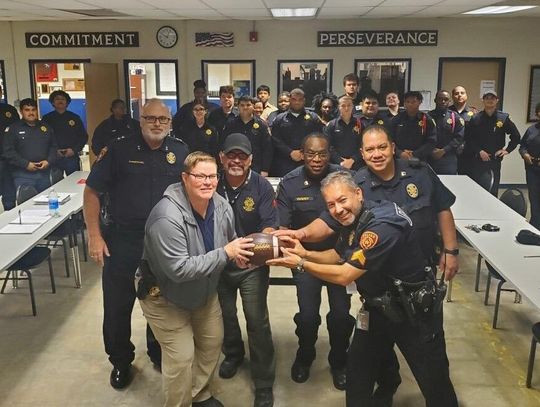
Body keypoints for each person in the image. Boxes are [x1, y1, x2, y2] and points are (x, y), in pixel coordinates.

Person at [276, 125, 459, 404]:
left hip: (412, 307)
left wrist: (300, 262)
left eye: (381, 147)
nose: (338, 209)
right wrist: (303, 245)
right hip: (376, 302)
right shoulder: (354, 216)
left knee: (434, 380)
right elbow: (337, 253)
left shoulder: (383, 221)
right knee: (360, 376)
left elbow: (344, 273)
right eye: (332, 204)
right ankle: (387, 386)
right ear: (362, 154)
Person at [83, 99, 189, 390]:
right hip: (123, 240)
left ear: (170, 123)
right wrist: (94, 235)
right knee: (118, 305)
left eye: (162, 120)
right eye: (150, 118)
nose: (157, 124)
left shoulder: (180, 151)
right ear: (140, 120)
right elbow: (92, 192)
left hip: (166, 242)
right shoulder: (118, 149)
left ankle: (157, 352)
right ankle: (120, 361)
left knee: (161, 300)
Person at [137, 151, 254, 407]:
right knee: (181, 357)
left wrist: (236, 256)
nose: (207, 182)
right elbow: (179, 270)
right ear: (185, 178)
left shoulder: (221, 206)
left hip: (203, 292)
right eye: (200, 176)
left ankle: (199, 394)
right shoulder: (166, 217)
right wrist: (226, 253)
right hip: (164, 296)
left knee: (212, 343)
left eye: (212, 176)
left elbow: (230, 239)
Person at [276, 134, 354, 390]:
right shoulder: (290, 182)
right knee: (308, 316)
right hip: (304, 259)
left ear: (330, 152)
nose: (317, 159)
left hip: (339, 258)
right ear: (302, 153)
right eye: (311, 153)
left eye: (322, 153)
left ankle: (339, 359)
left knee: (341, 315)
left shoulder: (343, 178)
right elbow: (283, 225)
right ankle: (305, 353)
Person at [216, 134, 277, 407]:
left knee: (256, 320)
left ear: (251, 159)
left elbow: (269, 228)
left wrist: (250, 252)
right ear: (222, 157)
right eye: (231, 155)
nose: (236, 160)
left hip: (251, 264)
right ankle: (233, 354)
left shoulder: (262, 186)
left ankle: (263, 382)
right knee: (224, 315)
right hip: (218, 262)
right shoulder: (211, 183)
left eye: (242, 156)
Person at [466, 91, 521, 195]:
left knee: (493, 189)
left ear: (497, 100)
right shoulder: (475, 118)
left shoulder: (503, 118)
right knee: (477, 189)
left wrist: (506, 150)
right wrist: (479, 151)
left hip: (495, 160)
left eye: (493, 98)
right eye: (487, 98)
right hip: (478, 159)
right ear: (483, 100)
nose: (490, 100)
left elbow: (516, 137)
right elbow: (469, 138)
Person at [3, 98, 57, 193]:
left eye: (33, 110)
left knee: (46, 204)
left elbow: (54, 146)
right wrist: (26, 164)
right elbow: (8, 152)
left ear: (37, 110)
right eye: (27, 110)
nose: (31, 113)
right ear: (21, 111)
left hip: (44, 173)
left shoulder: (45, 127)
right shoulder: (13, 129)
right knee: (27, 205)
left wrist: (48, 161)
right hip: (23, 175)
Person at [270, 88, 322, 177]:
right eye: (294, 99)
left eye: (300, 100)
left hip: (308, 161)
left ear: (304, 100)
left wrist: (304, 152)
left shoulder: (313, 118)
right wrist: (290, 152)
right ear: (290, 100)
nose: (297, 102)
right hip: (284, 163)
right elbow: (275, 139)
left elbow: (319, 138)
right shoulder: (280, 119)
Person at [221, 95, 272, 176]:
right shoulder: (230, 124)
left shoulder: (261, 125)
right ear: (238, 107)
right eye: (242, 105)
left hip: (256, 167)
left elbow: (267, 149)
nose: (245, 107)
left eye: (248, 105)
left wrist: (265, 169)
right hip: (235, 165)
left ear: (253, 107)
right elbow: (223, 145)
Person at [42, 90, 88, 176]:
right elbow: (43, 138)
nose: (60, 101)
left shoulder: (74, 118)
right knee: (55, 184)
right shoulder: (47, 119)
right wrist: (54, 151)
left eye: (63, 99)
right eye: (57, 99)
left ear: (67, 102)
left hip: (71, 156)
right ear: (52, 102)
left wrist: (74, 150)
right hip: (54, 157)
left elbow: (83, 137)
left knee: (74, 183)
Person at [391, 91, 437, 162]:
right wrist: (400, 153)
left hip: (420, 159)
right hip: (399, 159)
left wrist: (414, 154)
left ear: (420, 102)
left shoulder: (427, 119)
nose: (410, 104)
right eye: (407, 102)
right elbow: (389, 139)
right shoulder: (397, 119)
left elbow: (431, 141)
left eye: (413, 102)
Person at [429, 90, 465, 175]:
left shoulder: (455, 117)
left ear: (450, 101)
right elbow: (423, 136)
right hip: (430, 157)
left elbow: (459, 137)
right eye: (440, 99)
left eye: (446, 99)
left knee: (448, 185)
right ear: (435, 100)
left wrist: (443, 150)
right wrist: (431, 150)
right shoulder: (427, 117)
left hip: (449, 158)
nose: (443, 101)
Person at [325, 96, 363, 171]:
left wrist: (352, 160)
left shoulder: (360, 124)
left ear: (353, 107)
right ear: (338, 107)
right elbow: (328, 146)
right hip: (336, 166)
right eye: (343, 105)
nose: (346, 108)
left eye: (349, 105)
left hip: (356, 165)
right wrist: (340, 161)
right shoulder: (332, 125)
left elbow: (363, 145)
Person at [519, 102, 540, 229]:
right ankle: (535, 224)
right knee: (533, 196)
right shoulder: (531, 129)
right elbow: (523, 145)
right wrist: (524, 154)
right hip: (532, 168)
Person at [449, 86, 477, 175]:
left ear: (466, 95)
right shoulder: (447, 111)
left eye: (462, 93)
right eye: (456, 93)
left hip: (468, 153)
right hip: (450, 152)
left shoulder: (474, 113)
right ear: (452, 96)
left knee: (466, 180)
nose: (459, 95)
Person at [0, 84, 19, 210]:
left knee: (9, 192)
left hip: (8, 157)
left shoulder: (9, 110)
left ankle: (9, 214)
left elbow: (18, 129)